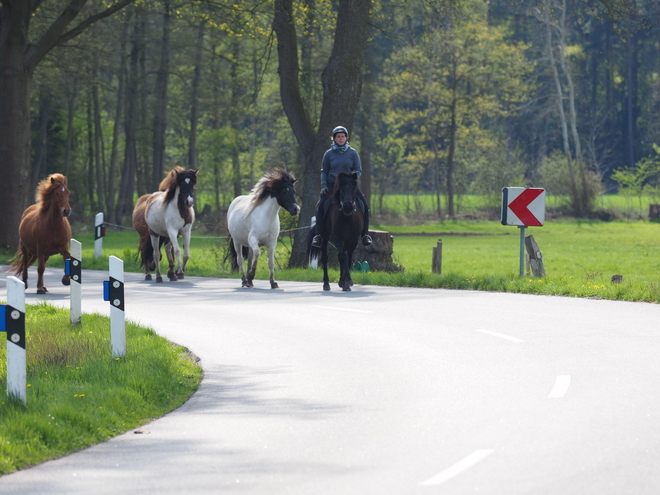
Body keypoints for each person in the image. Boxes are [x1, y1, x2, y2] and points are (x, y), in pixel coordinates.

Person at [311, 125, 372, 248]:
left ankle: (365, 235)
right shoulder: (328, 154)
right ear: (333, 139)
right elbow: (324, 171)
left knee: (364, 206)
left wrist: (352, 179)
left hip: (349, 186)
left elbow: (358, 169)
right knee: (321, 206)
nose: (340, 139)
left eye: (343, 136)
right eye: (338, 137)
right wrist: (324, 186)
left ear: (346, 138)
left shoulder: (353, 153)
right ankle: (318, 236)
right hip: (332, 186)